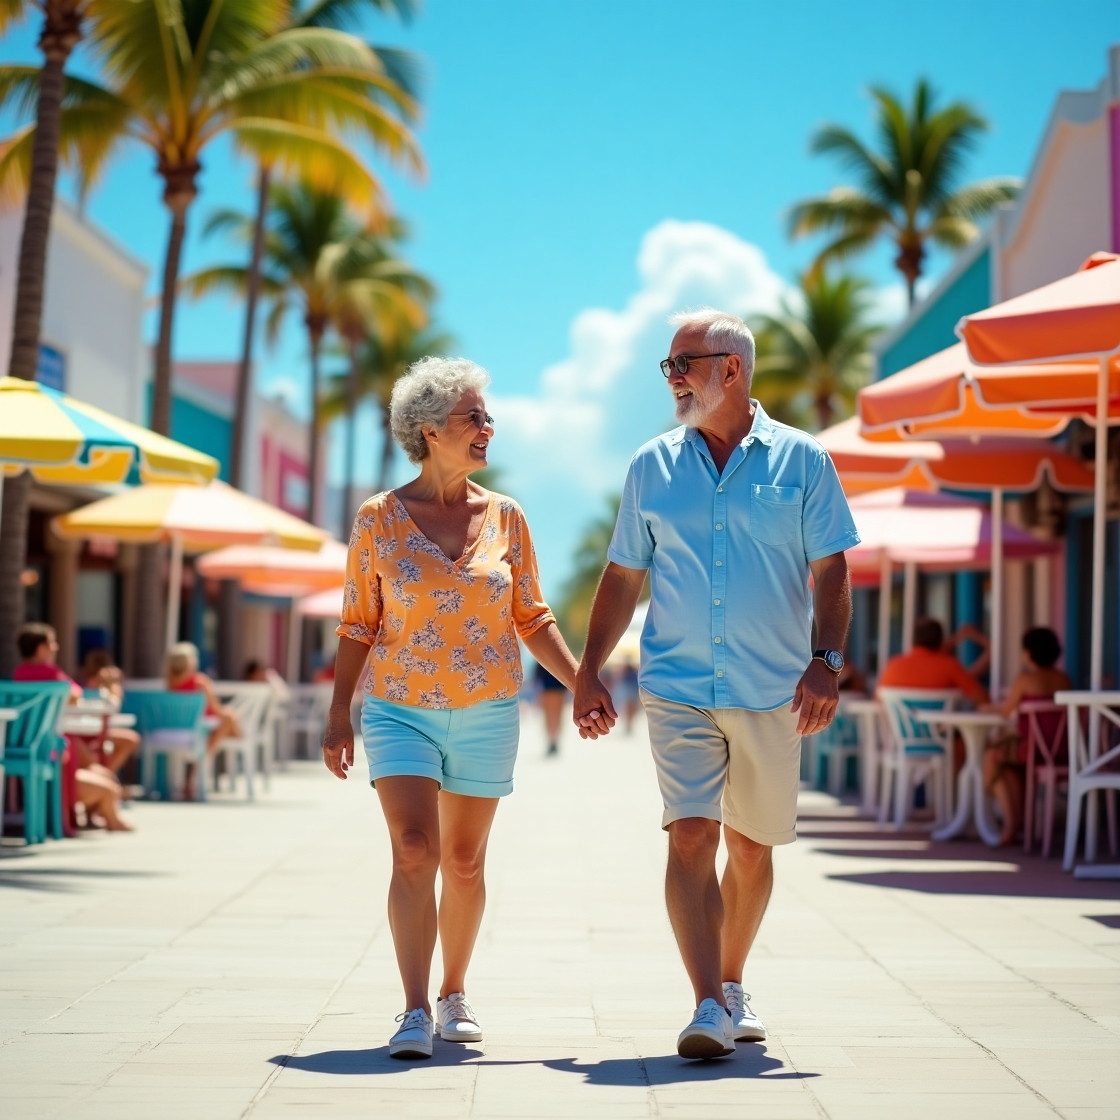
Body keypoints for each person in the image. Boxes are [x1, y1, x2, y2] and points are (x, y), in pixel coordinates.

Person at [573, 309, 860, 1059]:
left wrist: (826, 662)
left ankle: (732, 983)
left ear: (730, 369)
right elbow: (623, 574)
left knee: (753, 845)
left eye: (683, 364)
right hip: (676, 684)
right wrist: (587, 669)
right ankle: (705, 1002)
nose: (671, 378)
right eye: (666, 366)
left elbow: (832, 570)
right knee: (692, 832)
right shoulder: (651, 466)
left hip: (774, 688)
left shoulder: (804, 462)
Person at [322, 356, 590, 1061]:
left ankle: (454, 991)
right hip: (399, 708)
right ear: (429, 428)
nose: (488, 429)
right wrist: (336, 713)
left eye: (487, 417)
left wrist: (580, 680)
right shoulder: (377, 519)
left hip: (488, 709)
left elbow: (532, 615)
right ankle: (413, 1009)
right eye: (476, 416)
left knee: (465, 862)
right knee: (416, 850)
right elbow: (358, 623)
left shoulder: (506, 517)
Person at [13, 624, 132, 831]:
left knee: (96, 769)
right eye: (52, 643)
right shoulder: (50, 673)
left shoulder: (18, 673)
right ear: (41, 649)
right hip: (50, 747)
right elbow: (75, 696)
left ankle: (93, 811)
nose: (56, 647)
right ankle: (97, 815)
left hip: (20, 744)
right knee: (106, 782)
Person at [981, 627, 1071, 845]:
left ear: (1028, 653)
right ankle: (1019, 822)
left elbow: (1005, 711)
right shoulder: (1065, 680)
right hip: (1062, 750)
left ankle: (1012, 824)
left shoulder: (1025, 679)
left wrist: (988, 708)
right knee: (1008, 764)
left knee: (993, 757)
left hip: (1033, 749)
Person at [877, 618, 989, 704]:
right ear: (941, 642)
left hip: (901, 733)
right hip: (942, 733)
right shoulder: (949, 667)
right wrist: (961, 638)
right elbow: (983, 699)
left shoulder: (892, 666)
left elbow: (878, 701)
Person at [80, 648, 141, 776]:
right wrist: (113, 685)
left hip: (91, 731)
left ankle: (104, 775)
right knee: (127, 741)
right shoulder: (100, 686)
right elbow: (114, 706)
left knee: (114, 743)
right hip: (92, 732)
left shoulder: (82, 684)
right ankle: (106, 775)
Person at [535, 661, 567, 757]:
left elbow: (537, 678)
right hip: (551, 690)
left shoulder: (542, 656)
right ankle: (552, 740)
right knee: (554, 716)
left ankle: (553, 740)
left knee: (553, 716)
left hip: (553, 690)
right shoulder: (558, 657)